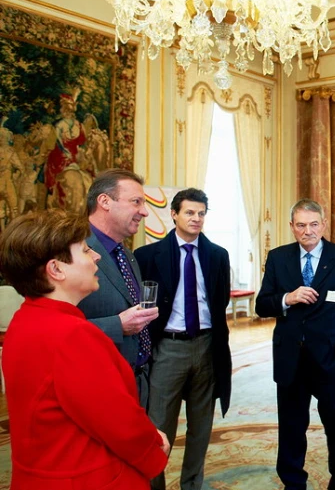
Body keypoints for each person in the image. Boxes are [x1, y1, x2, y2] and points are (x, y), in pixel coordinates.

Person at [0, 210, 170, 489]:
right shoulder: (72, 335)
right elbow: (117, 421)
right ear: (56, 269)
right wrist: (153, 445)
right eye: (85, 250)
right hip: (86, 477)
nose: (97, 257)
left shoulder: (25, 319)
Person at [255, 199, 335, 490]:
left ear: (323, 225)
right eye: (301, 225)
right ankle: (293, 483)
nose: (308, 231)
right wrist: (286, 299)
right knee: (291, 430)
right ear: (292, 227)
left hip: (331, 361)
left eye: (314, 224)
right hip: (291, 360)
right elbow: (262, 305)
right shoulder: (278, 258)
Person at [135, 188, 232, 490]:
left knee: (201, 427)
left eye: (201, 213)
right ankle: (154, 485)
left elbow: (220, 301)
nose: (196, 218)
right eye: (190, 212)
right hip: (167, 349)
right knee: (157, 426)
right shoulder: (148, 256)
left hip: (206, 347)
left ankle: (192, 484)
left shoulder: (217, 255)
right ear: (174, 214)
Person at [78, 168, 159, 407]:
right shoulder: (73, 251)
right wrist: (117, 326)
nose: (144, 212)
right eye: (136, 202)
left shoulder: (126, 255)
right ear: (105, 201)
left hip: (137, 383)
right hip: (97, 389)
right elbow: (51, 329)